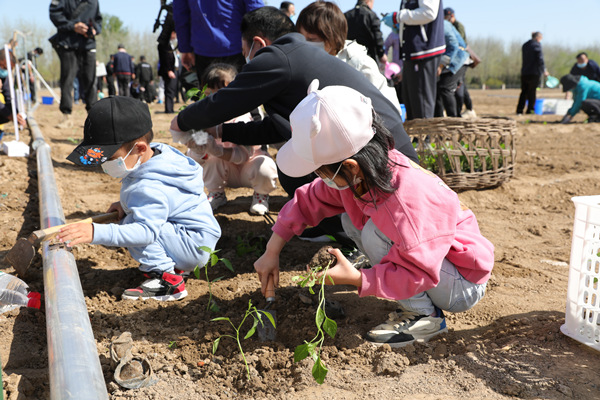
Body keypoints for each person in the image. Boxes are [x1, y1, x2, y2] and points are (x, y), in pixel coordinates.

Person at [254, 81, 494, 347]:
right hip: (429, 258)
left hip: (461, 282)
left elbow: (419, 272)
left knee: (374, 232)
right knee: (352, 220)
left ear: (350, 167)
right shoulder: (365, 175)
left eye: (320, 170)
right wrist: (272, 250)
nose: (318, 177)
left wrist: (359, 279)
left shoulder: (404, 202)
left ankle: (425, 318)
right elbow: (309, 200)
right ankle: (407, 293)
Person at [169, 6, 417, 243]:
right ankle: (339, 227)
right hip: (390, 149)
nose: (246, 60)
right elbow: (275, 127)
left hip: (382, 159)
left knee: (294, 171)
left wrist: (182, 121)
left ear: (258, 43)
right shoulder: (298, 55)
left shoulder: (277, 56)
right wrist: (221, 130)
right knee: (292, 165)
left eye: (244, 49)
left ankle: (347, 231)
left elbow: (225, 101)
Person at [60, 96, 221, 301]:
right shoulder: (161, 156)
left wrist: (95, 233)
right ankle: (176, 265)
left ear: (140, 148)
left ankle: (168, 281)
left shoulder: (148, 186)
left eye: (110, 158)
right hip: (197, 237)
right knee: (133, 219)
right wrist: (125, 205)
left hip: (191, 245)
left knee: (133, 226)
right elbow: (167, 202)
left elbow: (145, 231)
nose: (104, 164)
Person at [184, 63, 278, 215]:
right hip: (223, 170)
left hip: (249, 166)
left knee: (264, 165)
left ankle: (261, 195)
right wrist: (197, 148)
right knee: (210, 160)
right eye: (209, 94)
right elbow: (196, 158)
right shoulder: (202, 116)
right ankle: (216, 193)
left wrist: (218, 150)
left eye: (221, 94)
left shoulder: (248, 111)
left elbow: (246, 152)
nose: (215, 100)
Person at [296, 1, 401, 113]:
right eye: (301, 38)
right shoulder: (304, 64)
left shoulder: (358, 63)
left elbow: (390, 108)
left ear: (333, 37)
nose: (305, 44)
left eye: (312, 39)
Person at [172, 0, 264, 83]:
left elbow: (180, 15)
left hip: (203, 49)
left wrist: (185, 49)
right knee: (241, 97)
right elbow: (256, 11)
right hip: (239, 48)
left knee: (209, 97)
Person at [49, 0, 102, 128]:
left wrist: (95, 29)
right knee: (67, 81)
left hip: (88, 45)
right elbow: (54, 15)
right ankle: (66, 117)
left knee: (91, 81)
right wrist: (73, 26)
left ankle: (93, 118)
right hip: (68, 44)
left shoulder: (94, 1)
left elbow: (98, 20)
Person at [395, 0, 445, 120]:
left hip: (423, 50)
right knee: (410, 100)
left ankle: (425, 138)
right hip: (412, 51)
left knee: (421, 101)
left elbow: (429, 12)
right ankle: (417, 137)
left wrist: (399, 16)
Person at [444, 7, 476, 118]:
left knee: (458, 86)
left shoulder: (458, 26)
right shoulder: (450, 25)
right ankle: (463, 110)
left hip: (460, 59)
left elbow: (459, 42)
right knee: (457, 86)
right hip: (455, 59)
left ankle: (466, 109)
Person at [434, 19, 469, 117]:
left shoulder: (443, 24)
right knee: (437, 89)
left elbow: (453, 46)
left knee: (445, 88)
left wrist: (441, 65)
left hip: (458, 59)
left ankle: (454, 119)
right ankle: (439, 120)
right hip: (450, 60)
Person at [344, 0, 387, 65]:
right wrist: (381, 54)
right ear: (368, 1)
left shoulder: (346, 16)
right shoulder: (371, 15)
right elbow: (377, 37)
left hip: (349, 58)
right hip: (367, 58)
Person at [516, 32, 548, 115]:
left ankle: (519, 110)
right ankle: (530, 110)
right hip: (534, 72)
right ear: (538, 37)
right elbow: (540, 59)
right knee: (532, 92)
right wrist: (544, 70)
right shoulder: (537, 45)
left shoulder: (525, 45)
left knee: (524, 91)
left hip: (524, 72)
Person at [0, 50, 26, 127]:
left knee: (8, 113)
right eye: (4, 67)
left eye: (9, 69)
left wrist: (16, 114)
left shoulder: (4, 75)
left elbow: (10, 96)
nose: (6, 71)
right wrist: (10, 115)